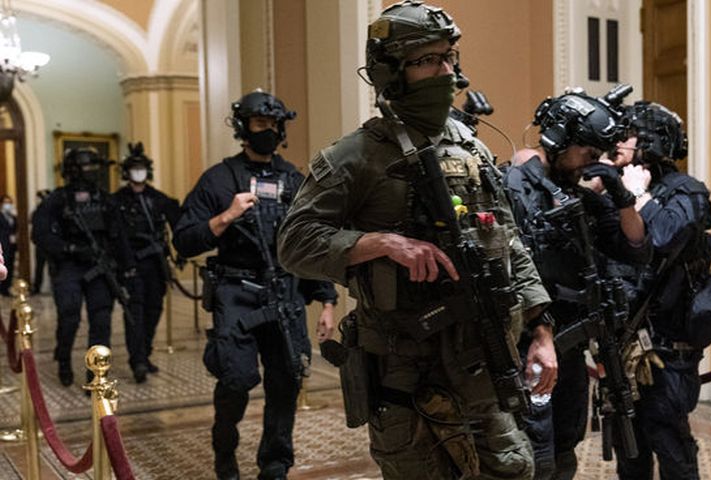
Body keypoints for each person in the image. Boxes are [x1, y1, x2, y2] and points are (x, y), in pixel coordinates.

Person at [277, 2, 554, 478]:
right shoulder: (355, 156)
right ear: (391, 72)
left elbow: (510, 242)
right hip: (408, 377)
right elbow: (294, 243)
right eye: (428, 60)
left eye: (449, 57)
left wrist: (541, 331)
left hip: (483, 364)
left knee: (513, 468)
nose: (446, 72)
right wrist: (382, 243)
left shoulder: (471, 148)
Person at [173, 90, 338, 480]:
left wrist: (327, 301)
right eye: (260, 123)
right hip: (237, 293)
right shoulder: (218, 179)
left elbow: (309, 243)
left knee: (286, 381)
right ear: (243, 128)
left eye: (273, 125)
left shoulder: (293, 180)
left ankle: (275, 463)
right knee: (236, 379)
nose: (268, 131)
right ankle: (224, 450)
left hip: (284, 292)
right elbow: (184, 240)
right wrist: (225, 216)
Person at [502, 88, 652, 479]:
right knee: (533, 449)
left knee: (565, 443)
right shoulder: (516, 189)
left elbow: (636, 248)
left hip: (570, 343)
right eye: (588, 151)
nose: (593, 160)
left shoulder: (580, 196)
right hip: (527, 343)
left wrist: (621, 196)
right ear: (559, 140)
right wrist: (540, 329)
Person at [610, 102, 711, 480]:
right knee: (629, 448)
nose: (616, 143)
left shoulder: (687, 191)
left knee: (671, 445)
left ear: (648, 141)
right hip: (623, 343)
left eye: (625, 135)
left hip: (667, 348)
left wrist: (638, 196)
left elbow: (668, 235)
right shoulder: (616, 184)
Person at [32, 148, 136, 387]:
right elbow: (40, 234)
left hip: (99, 267)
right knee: (69, 318)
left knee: (101, 320)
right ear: (74, 170)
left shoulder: (105, 200)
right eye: (88, 167)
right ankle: (64, 360)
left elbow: (120, 236)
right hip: (69, 266)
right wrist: (69, 249)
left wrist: (127, 268)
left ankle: (96, 374)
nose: (92, 172)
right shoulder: (57, 200)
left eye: (94, 167)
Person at [113, 142, 182, 382]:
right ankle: (138, 360)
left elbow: (178, 222)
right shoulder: (117, 201)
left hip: (156, 265)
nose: (138, 172)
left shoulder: (158, 198)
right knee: (135, 312)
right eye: (134, 168)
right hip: (131, 265)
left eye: (141, 168)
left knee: (154, 309)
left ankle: (146, 352)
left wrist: (182, 252)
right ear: (127, 172)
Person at [31, 189, 52, 294]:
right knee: (39, 267)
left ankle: (54, 287)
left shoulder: (53, 209)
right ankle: (36, 288)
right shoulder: (38, 210)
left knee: (52, 267)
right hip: (40, 244)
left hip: (51, 244)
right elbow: (34, 223)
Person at [0, 195, 17, 295]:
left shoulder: (13, 217)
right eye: (6, 202)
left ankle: (6, 288)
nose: (8, 205)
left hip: (11, 246)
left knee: (10, 267)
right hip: (2, 246)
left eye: (9, 202)